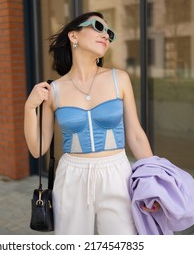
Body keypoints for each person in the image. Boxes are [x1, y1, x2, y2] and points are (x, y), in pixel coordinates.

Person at [24, 12, 156, 235]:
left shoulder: (119, 78)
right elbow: (38, 149)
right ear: (73, 36)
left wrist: (153, 183)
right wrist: (29, 108)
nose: (106, 35)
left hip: (116, 173)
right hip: (72, 176)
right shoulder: (53, 90)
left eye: (109, 33)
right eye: (98, 27)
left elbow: (135, 135)